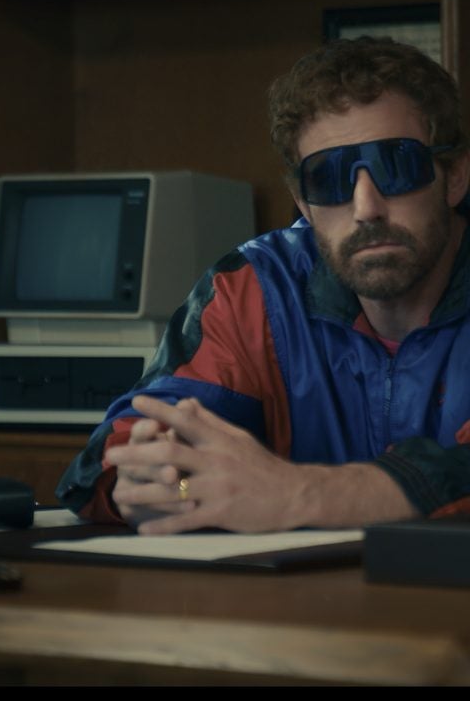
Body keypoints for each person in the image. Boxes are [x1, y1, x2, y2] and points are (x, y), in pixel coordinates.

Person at [56, 36, 470, 535]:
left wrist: (302, 494)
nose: (366, 208)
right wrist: (174, 487)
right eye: (328, 178)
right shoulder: (255, 289)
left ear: (455, 176)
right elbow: (118, 458)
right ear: (302, 200)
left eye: (396, 166)